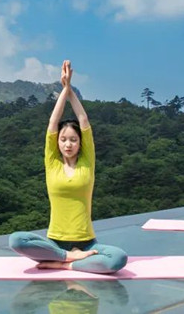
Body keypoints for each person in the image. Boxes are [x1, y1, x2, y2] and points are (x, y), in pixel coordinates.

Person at [8, 60, 128, 274]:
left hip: (87, 243)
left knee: (118, 258)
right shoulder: (52, 163)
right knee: (16, 240)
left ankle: (66, 264)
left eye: (73, 139)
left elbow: (83, 120)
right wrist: (64, 90)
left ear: (81, 143)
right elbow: (52, 123)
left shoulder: (86, 163)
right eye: (63, 139)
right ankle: (66, 257)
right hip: (54, 244)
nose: (68, 144)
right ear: (58, 142)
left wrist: (70, 89)